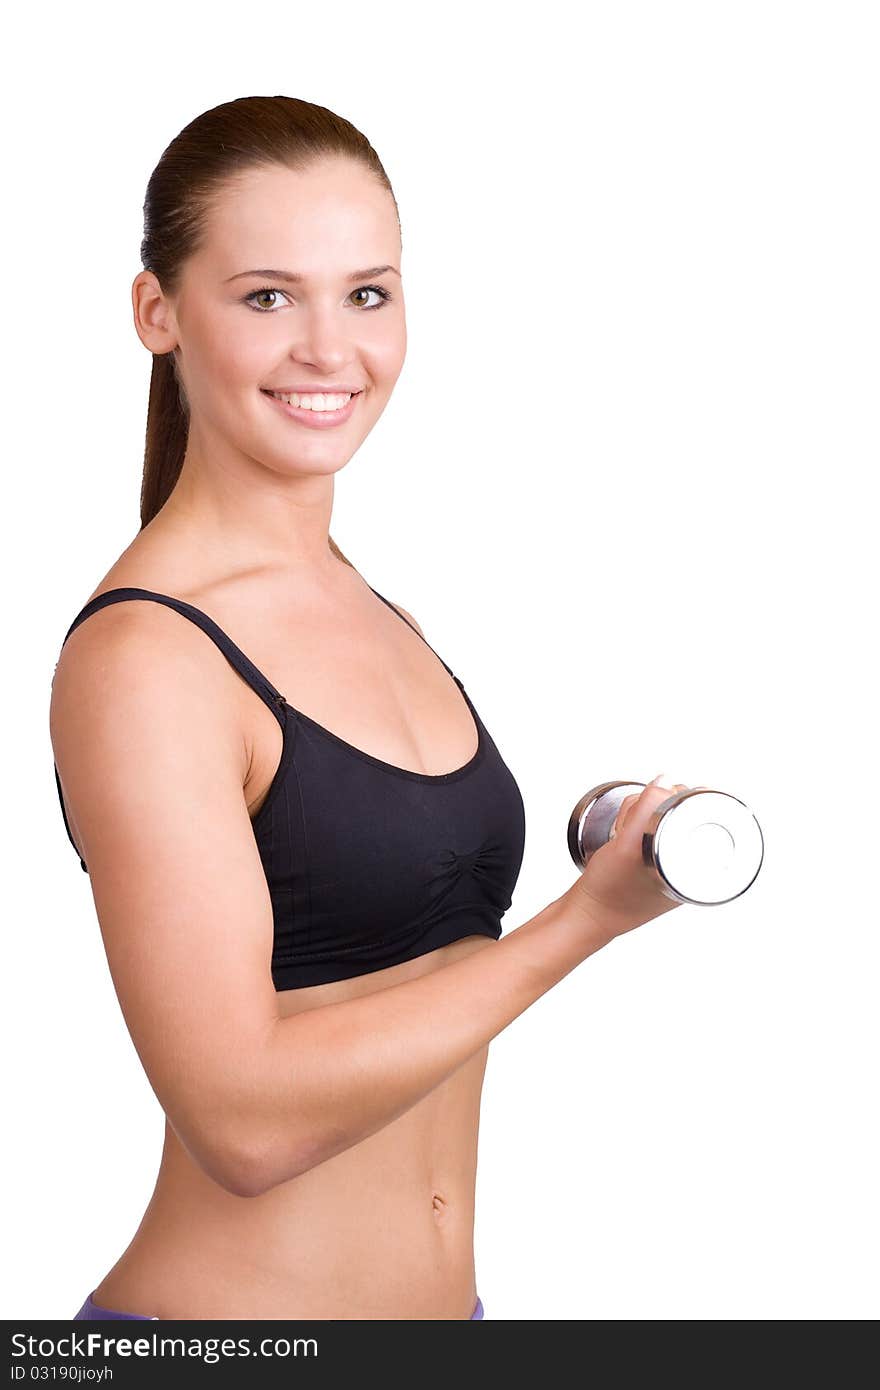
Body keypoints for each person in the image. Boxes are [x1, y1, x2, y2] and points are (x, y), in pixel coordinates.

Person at [50, 94, 685, 1322]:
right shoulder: (147, 657)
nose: (329, 350)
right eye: (268, 296)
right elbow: (239, 1117)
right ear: (158, 312)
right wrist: (584, 922)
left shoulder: (367, 605)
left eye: (368, 293)